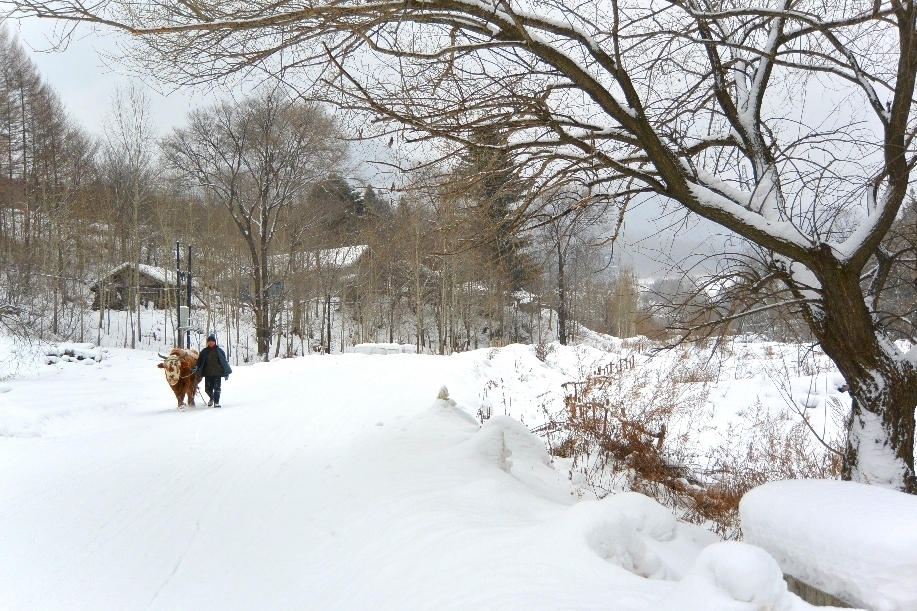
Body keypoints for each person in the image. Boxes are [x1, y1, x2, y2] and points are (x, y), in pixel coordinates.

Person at [194, 333, 232, 408]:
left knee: (217, 388)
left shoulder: (220, 351)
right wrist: (196, 367)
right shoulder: (204, 351)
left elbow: (224, 362)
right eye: (209, 341)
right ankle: (211, 398)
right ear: (207, 342)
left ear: (215, 342)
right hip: (207, 372)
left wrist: (226, 373)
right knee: (207, 389)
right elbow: (199, 361)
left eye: (212, 341)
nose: (211, 342)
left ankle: (216, 402)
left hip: (218, 372)